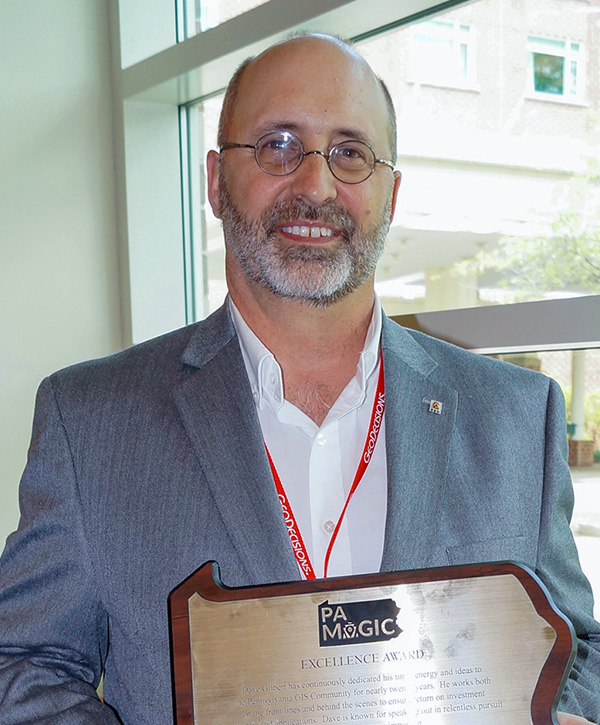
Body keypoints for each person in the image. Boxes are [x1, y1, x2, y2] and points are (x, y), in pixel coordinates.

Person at [0, 33, 598, 725]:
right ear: (216, 180)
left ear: (390, 192)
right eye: (278, 144)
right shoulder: (91, 421)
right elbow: (24, 658)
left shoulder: (518, 417)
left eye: (349, 151)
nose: (315, 186)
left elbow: (578, 646)